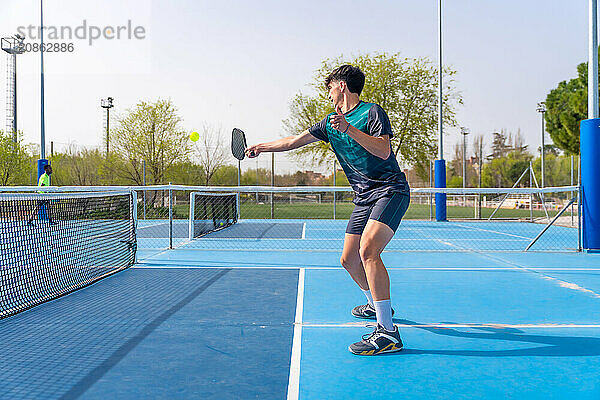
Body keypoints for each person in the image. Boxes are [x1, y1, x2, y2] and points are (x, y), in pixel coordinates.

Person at [246, 65, 410, 355]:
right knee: (349, 260)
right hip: (363, 197)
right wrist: (262, 146)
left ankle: (388, 332)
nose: (328, 92)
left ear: (342, 86)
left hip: (390, 189)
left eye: (330, 86)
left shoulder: (371, 112)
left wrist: (349, 129)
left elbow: (384, 151)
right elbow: (294, 141)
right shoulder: (327, 123)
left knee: (369, 251)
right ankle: (375, 303)